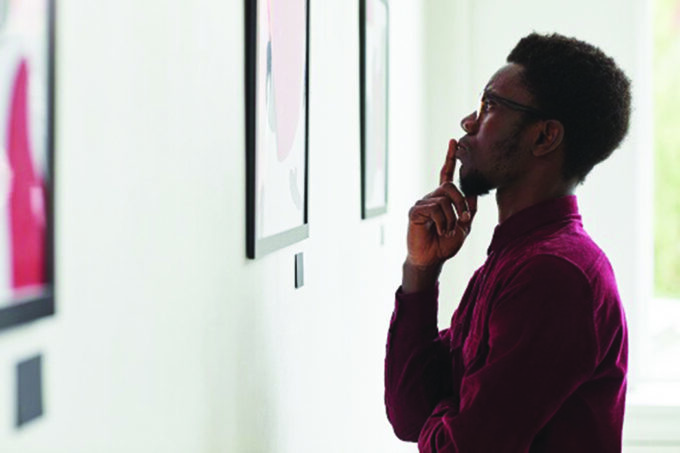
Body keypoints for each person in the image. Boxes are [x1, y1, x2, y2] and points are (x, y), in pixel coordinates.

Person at [384, 33, 631, 452]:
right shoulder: (513, 260)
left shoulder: (554, 275)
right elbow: (410, 415)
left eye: (490, 106)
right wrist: (421, 270)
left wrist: (449, 414)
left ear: (544, 137)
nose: (468, 122)